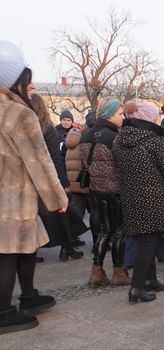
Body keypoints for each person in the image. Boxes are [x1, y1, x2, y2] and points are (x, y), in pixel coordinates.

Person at [0, 41, 68, 334]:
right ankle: (3, 311)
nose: (32, 85)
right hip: (14, 196)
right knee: (9, 252)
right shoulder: (19, 113)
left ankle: (28, 295)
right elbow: (39, 161)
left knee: (23, 248)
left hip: (9, 195)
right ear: (17, 80)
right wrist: (57, 198)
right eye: (28, 80)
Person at [113, 100, 164, 303]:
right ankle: (137, 288)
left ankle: (150, 279)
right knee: (147, 243)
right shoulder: (155, 140)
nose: (159, 119)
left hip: (131, 197)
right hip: (152, 198)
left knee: (146, 239)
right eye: (156, 116)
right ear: (148, 118)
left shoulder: (121, 139)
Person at [79, 98, 130, 287]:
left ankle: (96, 272)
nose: (123, 117)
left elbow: (85, 163)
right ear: (110, 115)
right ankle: (119, 272)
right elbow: (123, 164)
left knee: (103, 230)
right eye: (120, 114)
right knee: (118, 232)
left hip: (95, 189)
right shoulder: (115, 136)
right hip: (115, 190)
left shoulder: (85, 134)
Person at [31, 94, 87, 260]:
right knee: (62, 212)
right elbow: (55, 158)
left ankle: (63, 248)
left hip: (32, 179)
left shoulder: (27, 127)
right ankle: (67, 247)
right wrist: (63, 182)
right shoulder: (48, 128)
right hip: (48, 179)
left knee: (36, 215)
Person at [65, 111, 100, 246]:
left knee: (76, 214)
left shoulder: (72, 139)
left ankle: (68, 244)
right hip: (87, 183)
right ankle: (97, 243)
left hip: (74, 183)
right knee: (95, 213)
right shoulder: (89, 138)